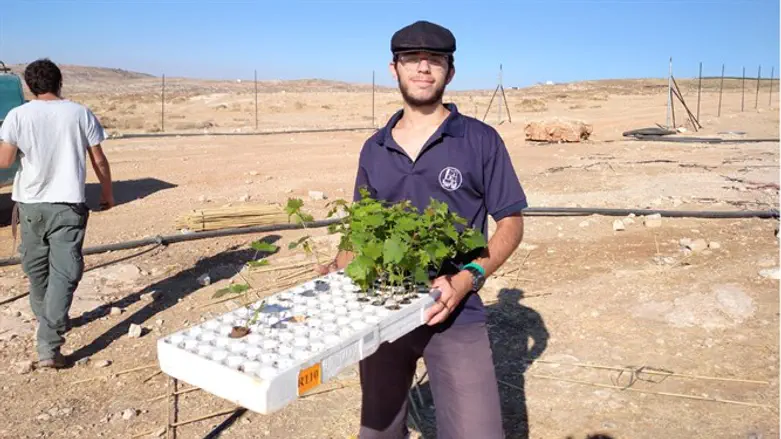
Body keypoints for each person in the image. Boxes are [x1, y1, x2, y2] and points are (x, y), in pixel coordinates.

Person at [316, 21, 528, 439]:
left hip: (454, 307)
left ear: (450, 71)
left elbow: (511, 222)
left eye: (436, 61)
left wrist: (469, 278)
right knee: (378, 431)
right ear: (394, 69)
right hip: (382, 306)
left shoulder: (480, 140)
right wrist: (338, 265)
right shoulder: (374, 148)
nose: (424, 68)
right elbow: (362, 231)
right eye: (412, 59)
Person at [0, 59, 114, 369]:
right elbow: (99, 160)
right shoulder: (80, 113)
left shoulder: (17, 116)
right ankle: (49, 343)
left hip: (31, 207)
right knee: (64, 273)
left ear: (30, 86)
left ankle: (48, 323)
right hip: (67, 207)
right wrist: (107, 193)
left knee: (37, 271)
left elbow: (5, 159)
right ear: (59, 82)